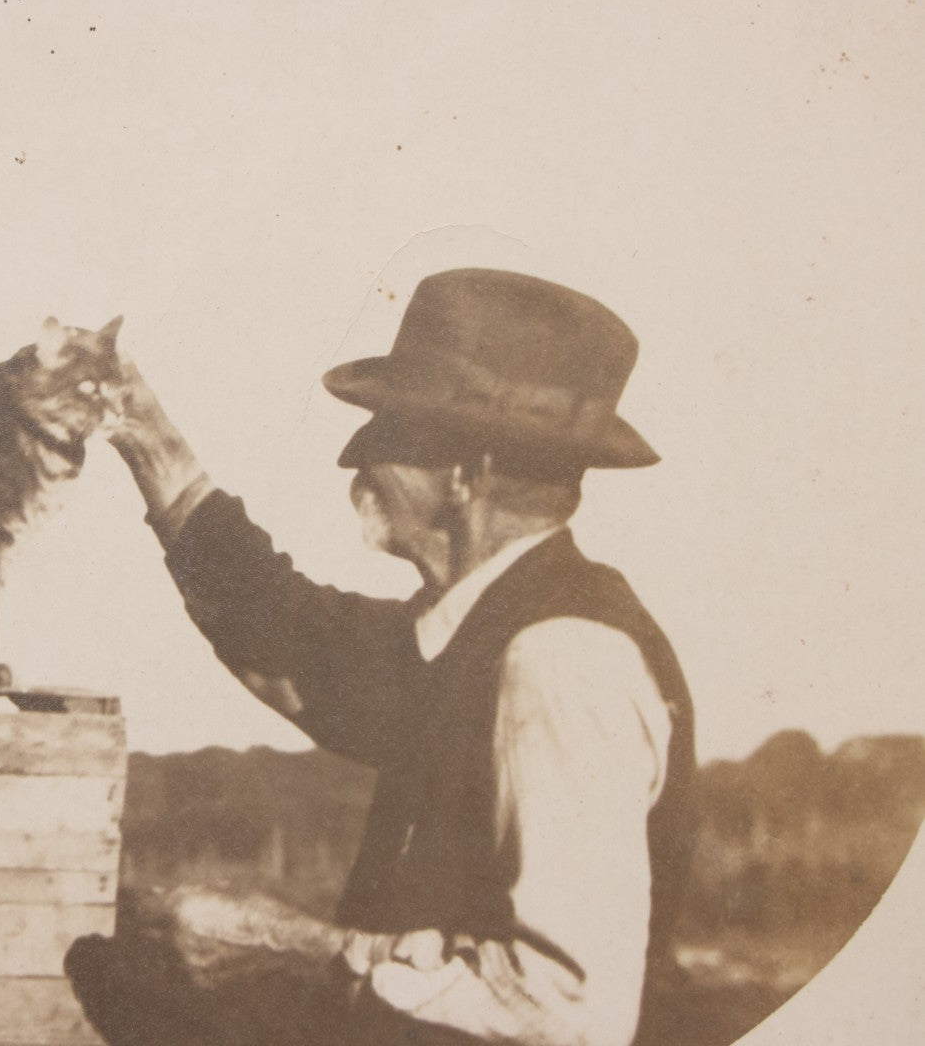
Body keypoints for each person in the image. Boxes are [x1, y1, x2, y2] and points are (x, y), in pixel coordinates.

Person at [66, 268, 696, 1046]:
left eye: (391, 429)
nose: (353, 459)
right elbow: (291, 639)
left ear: (467, 474)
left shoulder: (559, 660)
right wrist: (142, 430)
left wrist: (287, 945)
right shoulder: (478, 633)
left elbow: (561, 1012)